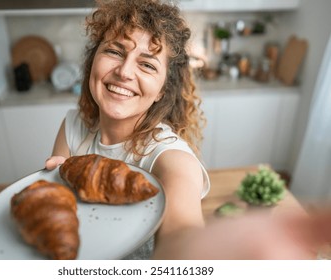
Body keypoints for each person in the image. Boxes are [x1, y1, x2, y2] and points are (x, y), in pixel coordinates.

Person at [45, 0, 331, 260]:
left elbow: (180, 237)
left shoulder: (169, 157)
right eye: (114, 51)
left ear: (161, 91)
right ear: (92, 60)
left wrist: (208, 249)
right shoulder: (73, 125)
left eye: (146, 64)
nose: (124, 71)